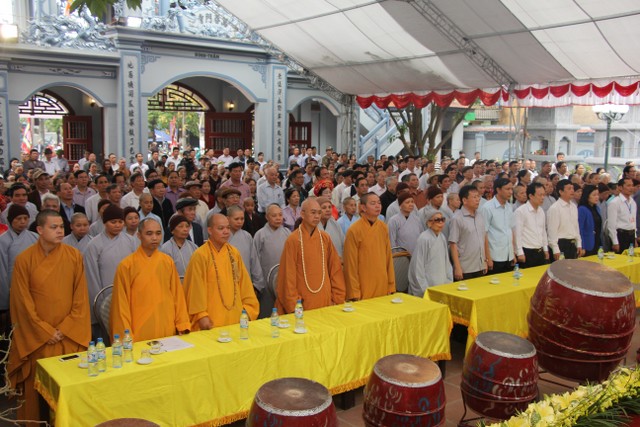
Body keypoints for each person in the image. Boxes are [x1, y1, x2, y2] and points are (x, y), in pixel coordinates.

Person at [8, 210, 90, 422]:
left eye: (61, 227)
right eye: (54, 227)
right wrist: (45, 331)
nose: (60, 231)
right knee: (37, 398)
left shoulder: (74, 256)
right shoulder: (24, 260)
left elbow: (80, 298)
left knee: (68, 391)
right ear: (40, 230)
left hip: (67, 336)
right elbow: (22, 303)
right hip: (37, 339)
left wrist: (64, 329)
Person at [111, 217, 190, 341]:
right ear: (139, 235)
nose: (154, 238)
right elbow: (121, 305)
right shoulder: (127, 265)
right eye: (149, 233)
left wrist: (182, 323)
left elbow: (177, 296)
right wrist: (125, 336)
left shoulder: (167, 261)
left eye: (158, 233)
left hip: (166, 326)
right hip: (139, 329)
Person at [183, 214, 259, 329]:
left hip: (236, 318)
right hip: (210, 321)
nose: (226, 232)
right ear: (210, 230)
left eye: (228, 228)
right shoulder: (200, 255)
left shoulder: (234, 253)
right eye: (221, 228)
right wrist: (201, 315)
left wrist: (248, 308)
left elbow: (245, 284)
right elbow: (195, 289)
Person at [276, 198, 346, 313]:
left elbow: (335, 269)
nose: (317, 216)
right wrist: (293, 304)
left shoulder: (325, 238)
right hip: (302, 303)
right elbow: (287, 275)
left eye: (319, 213)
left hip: (325, 300)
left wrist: (337, 297)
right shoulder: (293, 240)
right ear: (302, 214)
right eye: (313, 213)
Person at [84, 204, 139, 339]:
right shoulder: (94, 245)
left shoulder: (131, 241)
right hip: (106, 297)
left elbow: (137, 268)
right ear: (105, 222)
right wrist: (99, 304)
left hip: (129, 294)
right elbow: (91, 277)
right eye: (113, 222)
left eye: (120, 222)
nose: (117, 225)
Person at [343, 192, 395, 300]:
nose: (377, 206)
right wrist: (354, 292)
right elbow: (350, 264)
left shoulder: (383, 227)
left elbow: (388, 258)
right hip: (364, 284)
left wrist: (391, 285)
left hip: (382, 282)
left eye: (379, 203)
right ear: (363, 207)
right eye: (373, 203)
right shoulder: (354, 230)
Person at [253, 204, 291, 317]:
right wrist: (258, 281)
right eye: (274, 216)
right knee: (267, 309)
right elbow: (255, 259)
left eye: (280, 215)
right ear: (267, 217)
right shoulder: (260, 235)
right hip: (265, 279)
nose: (278, 218)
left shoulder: (287, 233)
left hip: (284, 277)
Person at [0, 204, 39, 313]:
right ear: (10, 220)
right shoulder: (3, 240)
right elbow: (2, 269)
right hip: (12, 284)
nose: (22, 222)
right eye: (18, 219)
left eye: (25, 218)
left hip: (33, 283)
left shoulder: (36, 237)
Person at [408, 211, 453, 297]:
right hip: (428, 285)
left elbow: (446, 262)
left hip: (442, 284)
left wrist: (449, 281)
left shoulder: (442, 237)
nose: (441, 222)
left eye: (442, 219)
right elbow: (418, 266)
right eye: (437, 220)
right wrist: (425, 289)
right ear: (429, 223)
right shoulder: (424, 238)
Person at [449, 185, 488, 280]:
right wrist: (457, 267)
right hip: (465, 268)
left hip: (480, 265)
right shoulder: (457, 218)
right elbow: (453, 244)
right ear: (464, 200)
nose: (478, 200)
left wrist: (486, 260)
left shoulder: (480, 216)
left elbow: (484, 238)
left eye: (478, 196)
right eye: (474, 197)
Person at [227, 206, 265, 295]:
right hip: (227, 282)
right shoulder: (222, 236)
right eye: (236, 219)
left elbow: (254, 261)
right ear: (227, 219)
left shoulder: (247, 236)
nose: (239, 222)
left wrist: (257, 284)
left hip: (245, 282)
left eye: (242, 219)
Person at [480, 178, 515, 273]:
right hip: (495, 256)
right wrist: (488, 258)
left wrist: (513, 253)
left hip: (509, 255)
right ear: (498, 190)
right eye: (507, 189)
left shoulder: (509, 207)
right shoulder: (487, 207)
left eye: (511, 189)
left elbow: (510, 230)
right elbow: (484, 233)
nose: (511, 192)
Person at [514, 183, 549, 268]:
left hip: (540, 250)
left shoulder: (541, 211)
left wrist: (545, 248)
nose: (542, 197)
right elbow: (517, 234)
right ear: (531, 196)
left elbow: (543, 232)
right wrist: (519, 252)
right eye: (540, 195)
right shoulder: (520, 211)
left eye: (543, 195)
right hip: (527, 251)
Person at [547, 179, 583, 260]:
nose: (572, 191)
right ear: (561, 192)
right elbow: (552, 231)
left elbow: (576, 227)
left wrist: (579, 243)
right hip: (561, 244)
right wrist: (555, 249)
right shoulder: (555, 208)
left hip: (572, 243)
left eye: (573, 188)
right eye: (569, 189)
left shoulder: (573, 206)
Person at [160, 214, 199, 278]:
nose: (185, 229)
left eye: (187, 226)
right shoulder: (165, 248)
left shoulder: (193, 247)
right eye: (181, 226)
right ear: (172, 230)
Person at [607, 178, 637, 254]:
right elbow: (611, 225)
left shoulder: (633, 202)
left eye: (632, 185)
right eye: (628, 185)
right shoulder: (614, 203)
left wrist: (635, 238)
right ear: (620, 187)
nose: (631, 188)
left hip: (631, 235)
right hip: (621, 235)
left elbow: (633, 222)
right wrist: (615, 242)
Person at [578, 185, 602, 257]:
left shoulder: (596, 208)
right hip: (587, 243)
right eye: (594, 195)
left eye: (597, 195)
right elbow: (580, 229)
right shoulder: (582, 209)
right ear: (587, 196)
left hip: (597, 241)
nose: (597, 197)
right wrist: (582, 246)